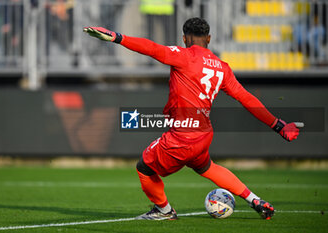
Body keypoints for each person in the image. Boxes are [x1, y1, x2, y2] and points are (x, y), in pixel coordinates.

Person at [83, 17, 302, 220]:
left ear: (185, 38)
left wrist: (116, 37)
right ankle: (255, 200)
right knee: (207, 167)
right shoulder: (222, 68)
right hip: (203, 134)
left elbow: (151, 48)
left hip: (183, 136)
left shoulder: (183, 55)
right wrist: (278, 125)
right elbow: (246, 98)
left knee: (144, 168)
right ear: (209, 39)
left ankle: (164, 210)